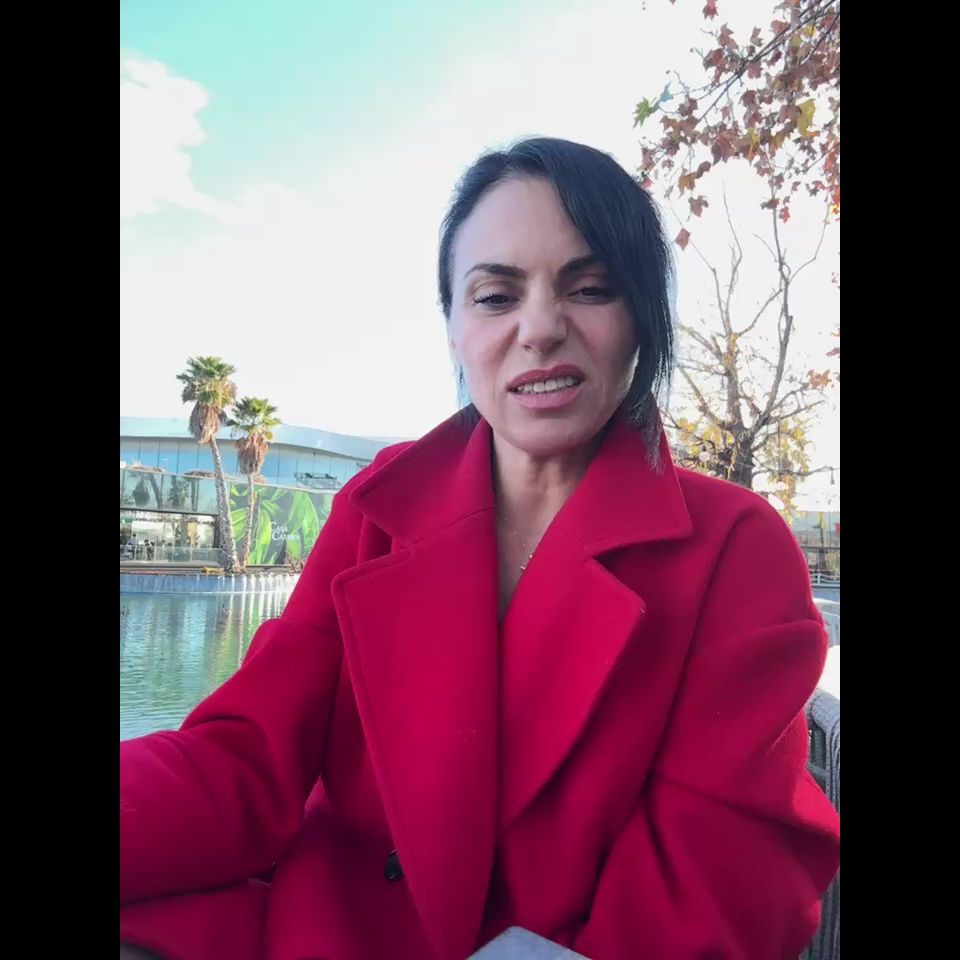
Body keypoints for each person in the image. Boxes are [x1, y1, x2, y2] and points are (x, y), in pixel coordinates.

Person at [120, 138, 840, 960]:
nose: (540, 329)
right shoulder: (378, 504)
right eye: (496, 296)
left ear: (641, 316)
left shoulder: (735, 549)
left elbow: (722, 878)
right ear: (455, 330)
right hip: (316, 930)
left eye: (590, 288)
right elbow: (245, 759)